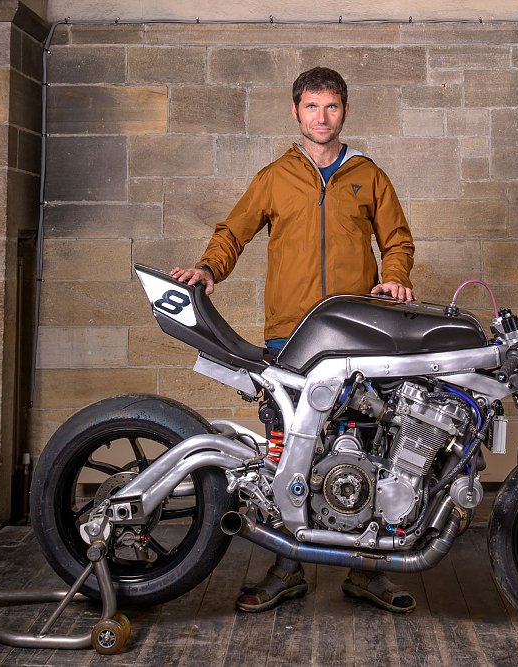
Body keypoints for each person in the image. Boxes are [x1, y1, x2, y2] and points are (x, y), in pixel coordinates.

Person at [170, 67, 418, 614]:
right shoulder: (275, 176)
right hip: (291, 333)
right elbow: (233, 231)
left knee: (366, 446)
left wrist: (395, 274)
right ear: (296, 112)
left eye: (331, 107)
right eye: (311, 107)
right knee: (289, 452)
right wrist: (209, 269)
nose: (321, 118)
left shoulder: (368, 176)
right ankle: (287, 568)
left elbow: (397, 239)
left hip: (358, 331)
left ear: (344, 111)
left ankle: (367, 570)